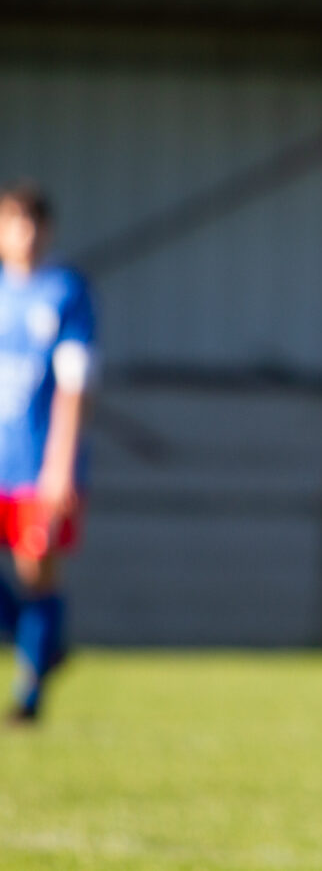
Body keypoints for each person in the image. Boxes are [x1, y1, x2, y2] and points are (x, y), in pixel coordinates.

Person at [0, 183, 95, 725]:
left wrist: (60, 465)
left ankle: (28, 699)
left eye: (36, 224)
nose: (27, 235)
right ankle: (43, 643)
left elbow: (75, 384)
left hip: (37, 462)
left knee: (35, 570)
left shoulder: (64, 292)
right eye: (16, 223)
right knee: (27, 598)